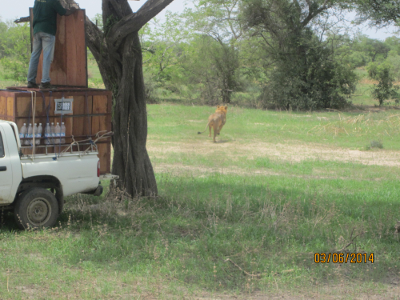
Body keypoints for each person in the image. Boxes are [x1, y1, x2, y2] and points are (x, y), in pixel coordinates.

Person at [27, 0, 76, 89]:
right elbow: (64, 12)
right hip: (48, 31)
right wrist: (73, 9)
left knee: (34, 55)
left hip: (36, 30)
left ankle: (30, 81)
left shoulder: (37, 1)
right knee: (47, 56)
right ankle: (45, 82)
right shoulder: (53, 1)